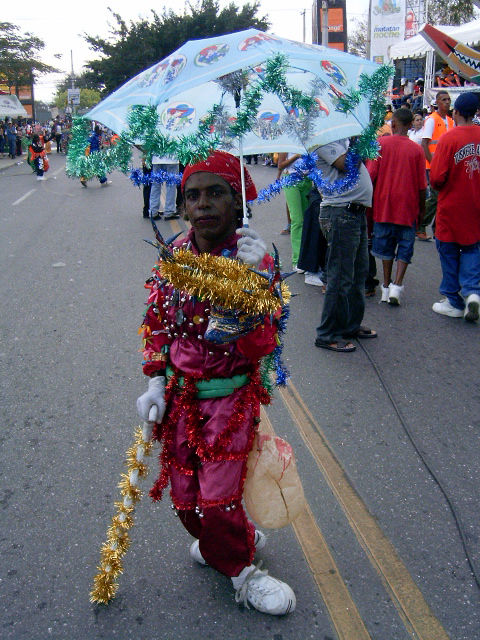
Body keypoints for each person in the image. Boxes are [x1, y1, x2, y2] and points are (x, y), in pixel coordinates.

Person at [136, 150, 296, 615]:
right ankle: (229, 538)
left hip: (228, 402)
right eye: (193, 196)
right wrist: (155, 385)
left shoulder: (253, 258)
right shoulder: (176, 254)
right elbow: (157, 324)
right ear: (184, 205)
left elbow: (267, 343)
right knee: (186, 501)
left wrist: (258, 280)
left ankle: (242, 571)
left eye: (215, 193)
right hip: (182, 403)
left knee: (218, 497)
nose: (202, 204)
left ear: (238, 199)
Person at [312, 138, 376, 352]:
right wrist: (359, 142)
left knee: (358, 274)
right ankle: (327, 333)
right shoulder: (322, 139)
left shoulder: (341, 140)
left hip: (354, 212)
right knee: (340, 277)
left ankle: (350, 326)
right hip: (341, 213)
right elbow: (346, 165)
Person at [366, 108, 426, 306]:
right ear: (410, 126)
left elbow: (370, 176)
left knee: (385, 249)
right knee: (405, 249)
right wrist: (422, 212)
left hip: (383, 206)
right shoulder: (416, 150)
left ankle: (385, 285)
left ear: (393, 125)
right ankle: (397, 286)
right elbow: (421, 186)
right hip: (407, 208)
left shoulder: (380, 144)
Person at [430, 92, 480, 322]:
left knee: (448, 250)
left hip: (451, 204)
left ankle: (454, 300)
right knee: (472, 247)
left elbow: (437, 177)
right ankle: (472, 292)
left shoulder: (449, 139)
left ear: (456, 112)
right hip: (476, 204)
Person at [420, 91, 453, 241]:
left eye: (448, 99)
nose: (447, 102)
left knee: (441, 198)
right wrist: (433, 164)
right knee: (434, 197)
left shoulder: (451, 121)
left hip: (446, 166)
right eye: (443, 100)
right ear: (437, 102)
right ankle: (421, 225)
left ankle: (436, 228)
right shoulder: (432, 119)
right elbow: (425, 143)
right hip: (433, 165)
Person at [149, 155, 179, 220]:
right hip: (172, 159)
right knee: (171, 185)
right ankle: (169, 211)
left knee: (155, 185)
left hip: (157, 158)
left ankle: (153, 212)